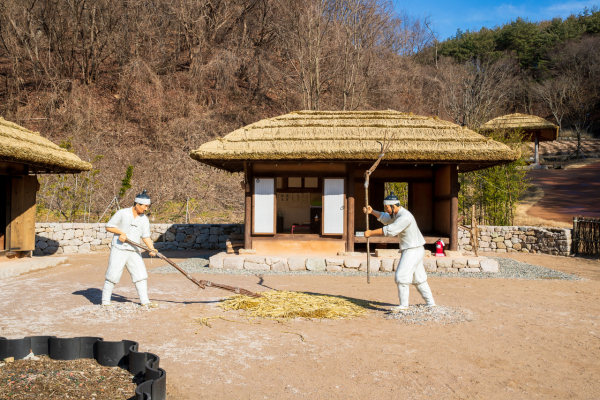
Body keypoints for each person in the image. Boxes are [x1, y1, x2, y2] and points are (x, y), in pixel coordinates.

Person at [363, 194, 435, 312]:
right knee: (419, 278)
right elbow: (386, 218)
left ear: (393, 206)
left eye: (386, 207)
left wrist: (371, 233)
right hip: (413, 248)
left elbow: (391, 230)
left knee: (401, 276)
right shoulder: (396, 214)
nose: (386, 210)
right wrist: (372, 212)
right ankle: (431, 303)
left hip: (413, 249)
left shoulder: (405, 217)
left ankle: (404, 305)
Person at [101, 190, 158, 307]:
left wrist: (151, 248)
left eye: (148, 206)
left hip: (134, 250)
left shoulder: (144, 219)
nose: (146, 209)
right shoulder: (122, 213)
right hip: (119, 248)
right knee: (113, 274)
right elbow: (109, 226)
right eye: (145, 206)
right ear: (137, 205)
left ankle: (145, 301)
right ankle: (105, 302)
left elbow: (146, 236)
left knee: (140, 274)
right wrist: (120, 233)